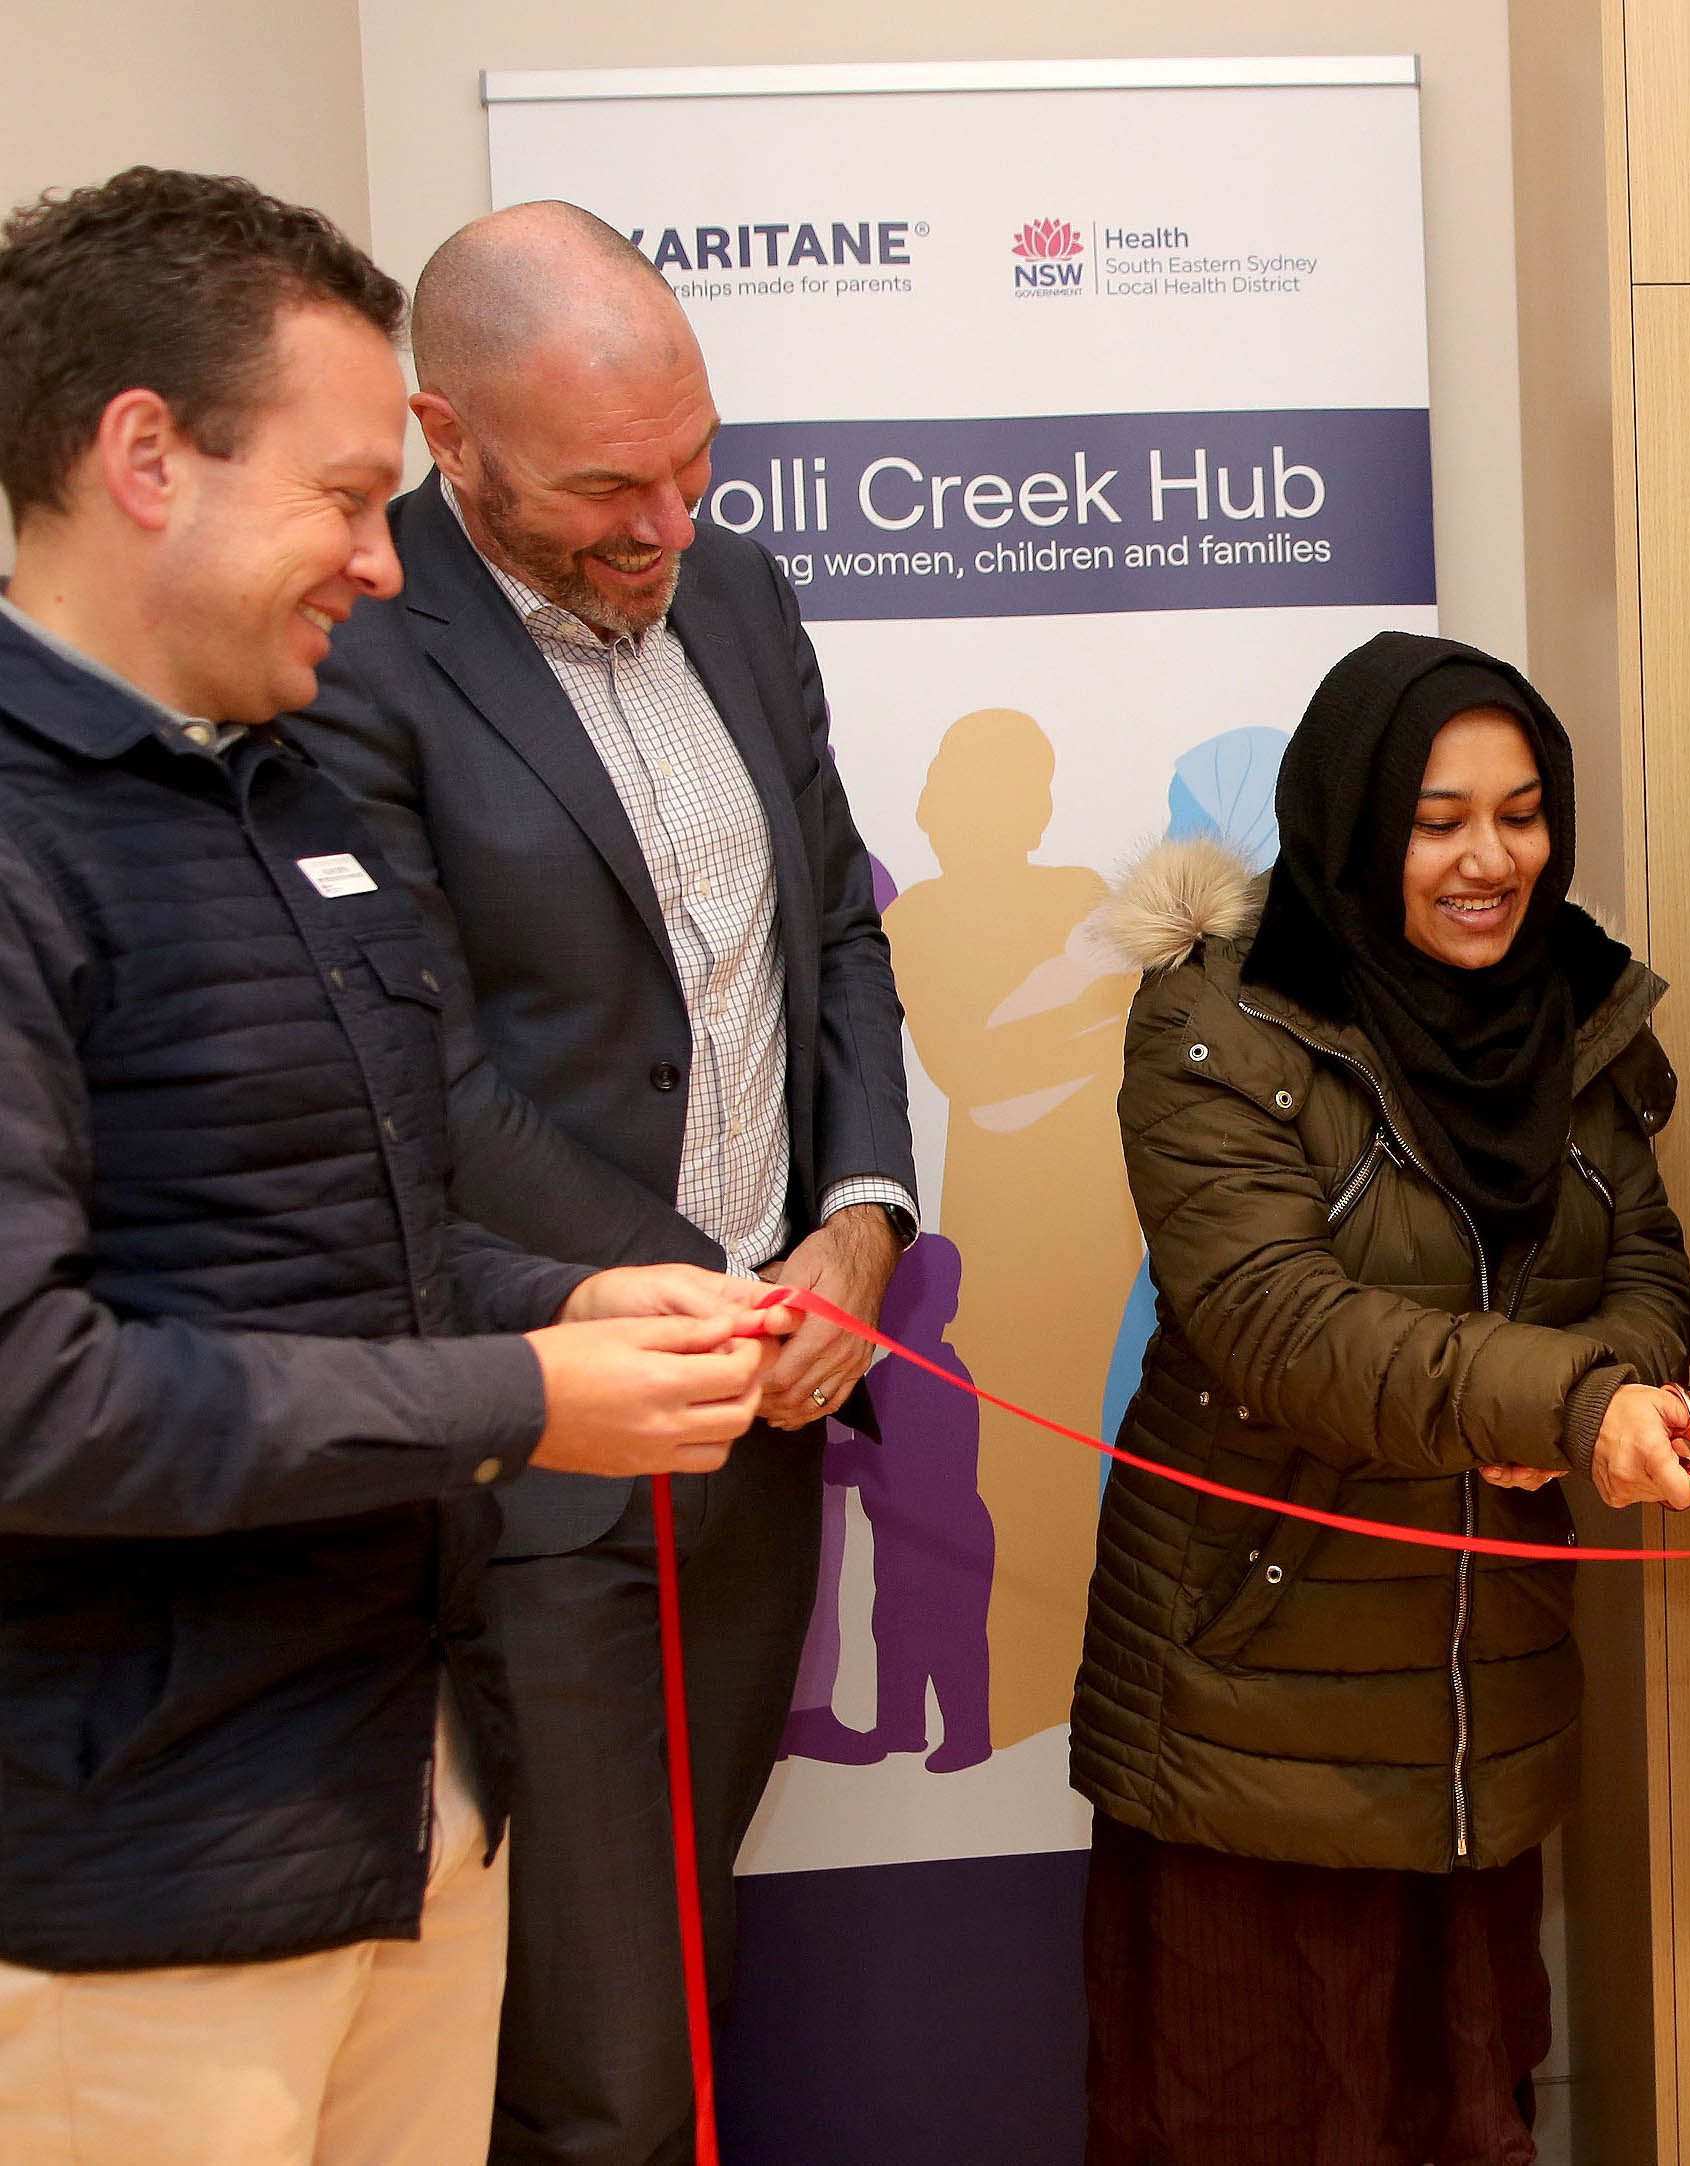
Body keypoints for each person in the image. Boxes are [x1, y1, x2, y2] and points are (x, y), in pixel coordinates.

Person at [0, 167, 784, 2166]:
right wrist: (527, 1395)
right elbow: (37, 1402)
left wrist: (574, 1302)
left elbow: (361, 1237)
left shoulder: (273, 789)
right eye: (348, 500)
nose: (381, 563)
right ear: (146, 458)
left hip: (415, 1796)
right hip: (143, 1891)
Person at [281, 202, 917, 2166]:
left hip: (764, 1418)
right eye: (603, 489)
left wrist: (863, 1220)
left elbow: (834, 940)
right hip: (547, 1453)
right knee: (599, 2063)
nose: (662, 524)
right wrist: (697, 1288)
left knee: (673, 1997)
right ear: (441, 439)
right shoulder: (359, 663)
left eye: (692, 464)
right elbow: (417, 1075)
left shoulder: (736, 599)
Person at [1073, 631, 1690, 2164]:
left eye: (1522, 810)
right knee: (1248, 2119)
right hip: (1254, 1696)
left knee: (1460, 2114)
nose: (1491, 859)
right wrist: (1557, 1403)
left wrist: (1595, 1388)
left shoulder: (1579, 1012)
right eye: (1438, 821)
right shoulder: (1215, 1022)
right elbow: (1281, 1327)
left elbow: (1651, 1278)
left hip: (1482, 1704)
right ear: (1354, 820)